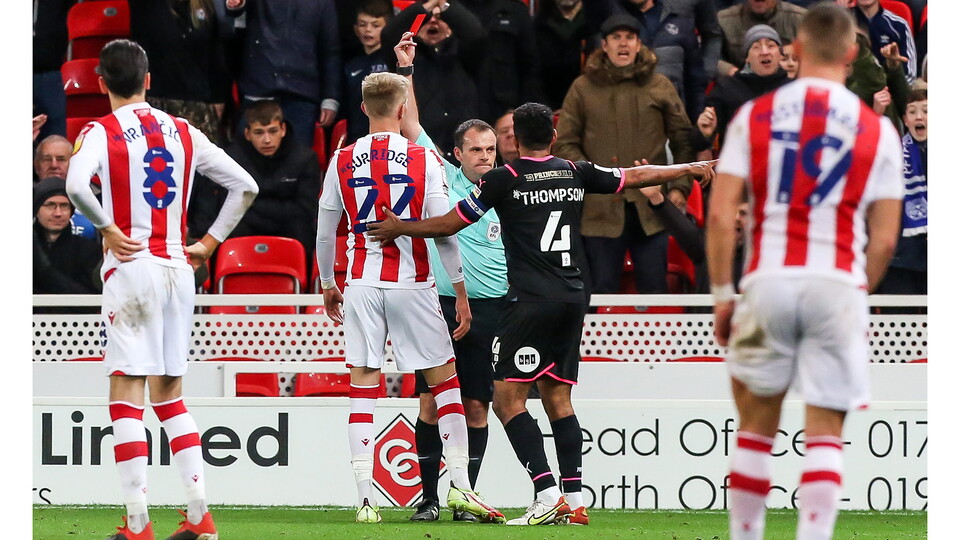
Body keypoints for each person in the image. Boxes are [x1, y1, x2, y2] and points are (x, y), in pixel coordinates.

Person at [368, 102, 715, 525]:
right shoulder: (575, 171)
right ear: (553, 137)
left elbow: (447, 226)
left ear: (513, 140)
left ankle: (547, 492)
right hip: (573, 298)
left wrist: (400, 227)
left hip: (530, 302)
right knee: (558, 398)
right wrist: (689, 167)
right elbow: (636, 176)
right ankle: (575, 498)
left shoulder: (505, 179)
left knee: (507, 400)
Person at [704, 5, 903, 539]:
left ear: (794, 51)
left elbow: (722, 214)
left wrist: (724, 294)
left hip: (768, 279)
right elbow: (885, 237)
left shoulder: (756, 116)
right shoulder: (876, 128)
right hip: (836, 279)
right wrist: (857, 288)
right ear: (852, 52)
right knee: (825, 436)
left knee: (754, 429)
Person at [64, 39, 259, 540]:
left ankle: (136, 524)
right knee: (170, 394)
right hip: (178, 269)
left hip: (133, 270)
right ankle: (200, 517)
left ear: (101, 83)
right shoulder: (184, 131)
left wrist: (106, 228)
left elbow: (75, 187)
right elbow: (245, 186)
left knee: (126, 394)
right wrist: (211, 241)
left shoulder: (100, 131)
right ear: (148, 79)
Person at [314, 71, 505, 525]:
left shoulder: (340, 159)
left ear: (363, 109)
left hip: (360, 283)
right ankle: (461, 487)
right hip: (414, 283)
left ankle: (365, 499)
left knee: (363, 385)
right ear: (402, 110)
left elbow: (325, 230)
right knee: (445, 385)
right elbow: (445, 230)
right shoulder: (424, 160)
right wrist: (459, 290)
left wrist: (327, 283)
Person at [390, 32, 508, 523]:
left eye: (491, 149)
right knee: (432, 406)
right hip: (438, 304)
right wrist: (407, 70)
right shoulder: (443, 176)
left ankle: (465, 496)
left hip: (492, 307)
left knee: (477, 407)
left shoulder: (510, 186)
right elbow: (411, 122)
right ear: (457, 154)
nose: (485, 156)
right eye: (476, 150)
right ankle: (430, 499)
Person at [555, 14, 696, 295]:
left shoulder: (660, 86)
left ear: (639, 44)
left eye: (629, 37)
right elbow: (564, 143)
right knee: (600, 293)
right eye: (616, 38)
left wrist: (680, 186)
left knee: (656, 292)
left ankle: (658, 342)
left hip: (653, 210)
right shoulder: (582, 88)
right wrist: (595, 176)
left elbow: (683, 140)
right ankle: (595, 342)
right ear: (604, 45)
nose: (623, 44)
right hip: (600, 209)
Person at [190, 100, 321, 256]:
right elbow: (225, 204)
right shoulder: (231, 159)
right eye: (259, 132)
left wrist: (251, 206)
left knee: (300, 228)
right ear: (248, 134)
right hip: (245, 226)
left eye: (273, 131)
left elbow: (304, 210)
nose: (267, 140)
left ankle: (299, 278)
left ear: (283, 129)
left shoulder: (304, 159)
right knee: (229, 228)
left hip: (287, 227)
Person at [381, 0, 485, 163]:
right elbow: (388, 34)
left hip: (464, 151)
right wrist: (426, 7)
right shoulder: (406, 57)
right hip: (420, 150)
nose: (433, 21)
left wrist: (444, 5)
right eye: (427, 18)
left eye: (440, 17)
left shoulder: (465, 56)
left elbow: (476, 34)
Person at [228, 0, 341, 147]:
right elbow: (234, 25)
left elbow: (330, 50)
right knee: (245, 164)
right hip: (258, 91)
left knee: (299, 164)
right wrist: (236, 6)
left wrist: (330, 98)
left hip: (302, 96)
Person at [130, 0, 235, 145]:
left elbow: (215, 55)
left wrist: (218, 97)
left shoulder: (205, 5)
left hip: (199, 103)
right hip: (158, 101)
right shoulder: (147, 6)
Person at [692, 25, 790, 154]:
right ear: (747, 58)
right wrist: (703, 133)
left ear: (780, 53)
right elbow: (697, 143)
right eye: (756, 47)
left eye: (770, 45)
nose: (764, 51)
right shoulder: (726, 88)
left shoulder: (794, 88)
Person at [461, 0, 544, 124]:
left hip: (506, 109)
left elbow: (530, 68)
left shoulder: (514, 10)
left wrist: (522, 111)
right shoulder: (453, 10)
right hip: (463, 107)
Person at [877, 88, 926, 294]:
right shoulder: (893, 151)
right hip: (902, 257)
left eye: (925, 110)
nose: (919, 116)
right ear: (905, 120)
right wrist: (877, 113)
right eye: (912, 112)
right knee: (897, 317)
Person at [33, 177, 102, 313]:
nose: (58, 213)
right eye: (50, 205)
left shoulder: (88, 250)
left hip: (78, 330)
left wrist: (44, 270)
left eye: (64, 206)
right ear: (36, 209)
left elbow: (92, 302)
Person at [342, 1, 392, 146]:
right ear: (356, 29)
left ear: (387, 28)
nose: (367, 30)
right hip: (356, 138)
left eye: (375, 25)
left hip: (388, 137)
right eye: (362, 24)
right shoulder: (351, 65)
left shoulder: (393, 60)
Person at [34, 134, 100, 240]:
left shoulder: (100, 197)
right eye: (47, 159)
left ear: (74, 164)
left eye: (61, 159)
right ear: (36, 165)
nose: (54, 165)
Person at [716, 0, 806, 77]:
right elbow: (709, 57)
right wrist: (730, 70)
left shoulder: (801, 19)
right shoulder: (723, 20)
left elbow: (816, 56)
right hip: (741, 85)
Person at [851, 0, 917, 84]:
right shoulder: (842, 22)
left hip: (890, 92)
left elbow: (909, 75)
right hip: (851, 92)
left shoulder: (899, 25)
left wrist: (888, 93)